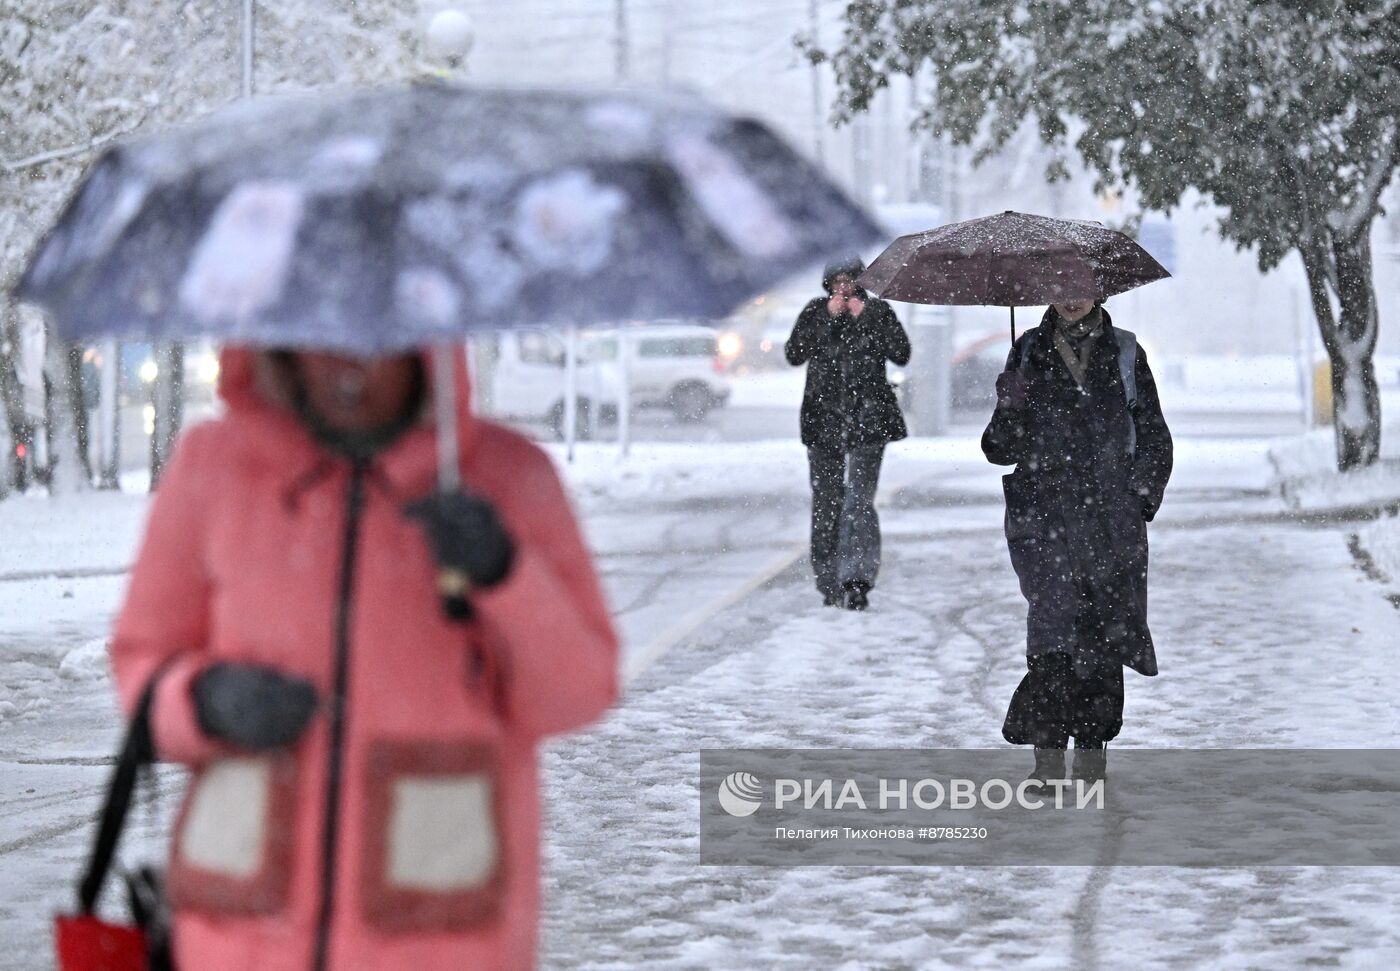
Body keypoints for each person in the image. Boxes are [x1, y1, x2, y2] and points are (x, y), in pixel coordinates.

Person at [109, 346, 618, 970]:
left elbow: (579, 691)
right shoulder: (213, 468)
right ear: (281, 347)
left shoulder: (506, 476)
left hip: (439, 934)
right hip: (239, 933)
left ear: (424, 346)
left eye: (374, 347)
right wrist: (203, 702)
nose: (349, 366)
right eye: (319, 341)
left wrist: (505, 574)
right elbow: (141, 659)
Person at [982, 297, 1172, 783]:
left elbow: (1155, 437)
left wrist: (1138, 498)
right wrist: (1010, 405)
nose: (1070, 295)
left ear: (1099, 292)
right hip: (1044, 518)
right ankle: (1047, 760)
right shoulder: (1026, 351)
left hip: (1110, 520)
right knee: (1051, 635)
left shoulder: (1126, 353)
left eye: (1081, 284)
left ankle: (1091, 752)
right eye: (1060, 283)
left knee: (1104, 634)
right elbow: (998, 450)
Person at [785, 256, 911, 610]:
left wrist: (866, 318)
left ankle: (856, 580)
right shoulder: (815, 312)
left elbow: (902, 352)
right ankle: (828, 583)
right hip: (823, 423)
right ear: (828, 284)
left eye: (850, 280)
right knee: (826, 503)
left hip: (869, 423)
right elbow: (794, 354)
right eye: (837, 281)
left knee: (857, 502)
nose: (844, 287)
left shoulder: (878, 312)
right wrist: (827, 317)